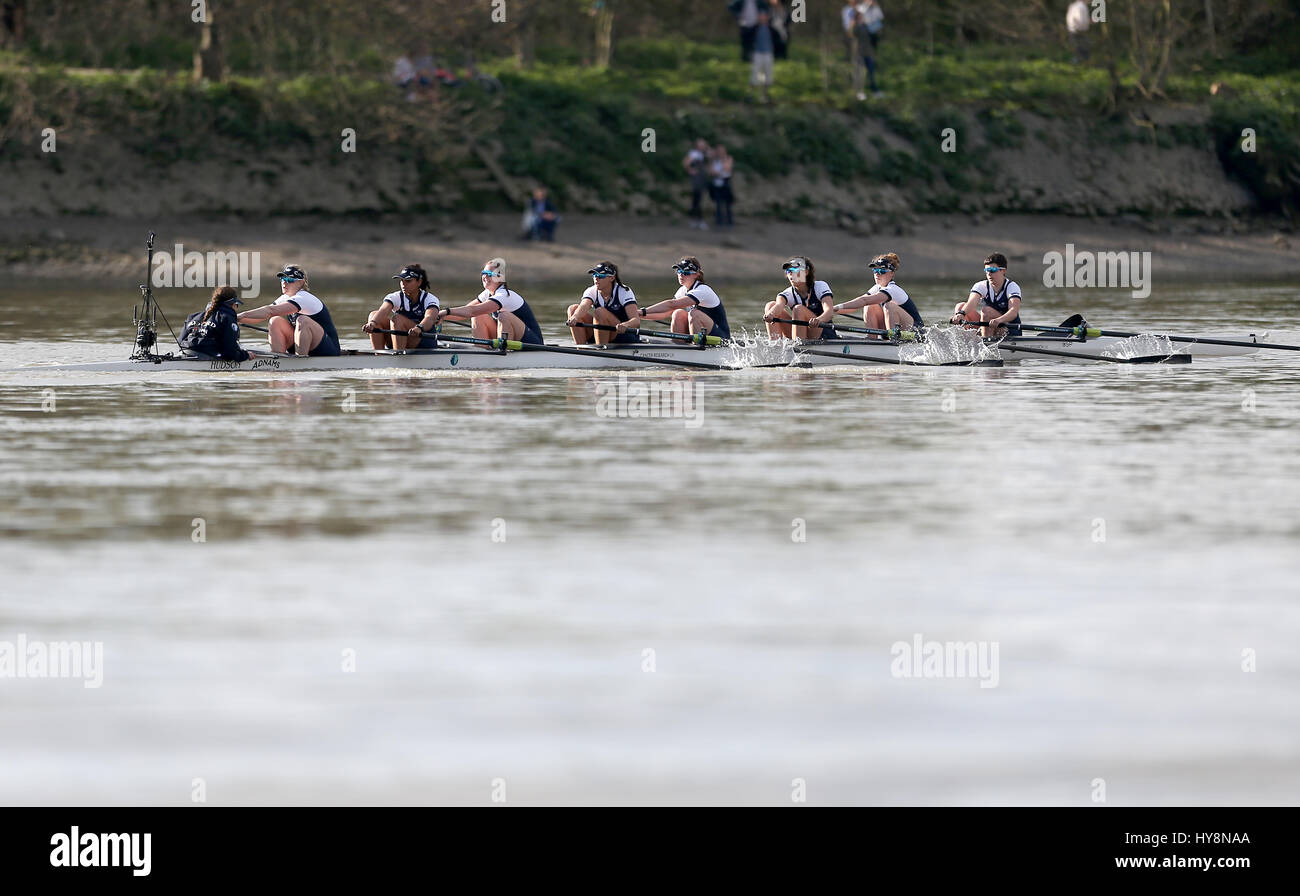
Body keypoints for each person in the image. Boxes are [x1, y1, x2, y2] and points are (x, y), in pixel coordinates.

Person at [237, 264, 340, 356]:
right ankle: (277, 358)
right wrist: (236, 319)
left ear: (301, 283)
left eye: (289, 280)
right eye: (282, 280)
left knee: (302, 320)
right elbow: (265, 314)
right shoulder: (285, 298)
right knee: (275, 320)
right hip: (305, 344)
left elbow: (270, 311)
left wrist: (241, 315)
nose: (284, 283)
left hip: (326, 348)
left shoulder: (304, 297)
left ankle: (300, 361)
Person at [438, 257, 544, 345]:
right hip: (511, 337)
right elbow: (465, 313)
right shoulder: (487, 293)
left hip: (531, 342)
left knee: (503, 315)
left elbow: (472, 310)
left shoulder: (504, 295)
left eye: (489, 273)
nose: (485, 276)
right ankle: (482, 350)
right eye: (484, 273)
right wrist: (438, 316)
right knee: (478, 316)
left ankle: (503, 352)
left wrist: (447, 311)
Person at [640, 256, 731, 340]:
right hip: (702, 333)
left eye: (686, 272)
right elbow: (665, 313)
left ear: (696, 274)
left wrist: (642, 311)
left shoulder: (703, 290)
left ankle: (696, 347)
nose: (681, 275)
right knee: (677, 313)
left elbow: (671, 304)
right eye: (679, 271)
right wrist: (638, 316)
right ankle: (678, 346)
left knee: (694, 313)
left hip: (720, 337)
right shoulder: (682, 290)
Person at [834, 252, 923, 337]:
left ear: (892, 273)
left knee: (888, 306)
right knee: (869, 306)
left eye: (881, 271)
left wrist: (835, 307)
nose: (877, 274)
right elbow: (856, 305)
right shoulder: (877, 287)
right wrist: (831, 310)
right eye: (875, 270)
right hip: (896, 331)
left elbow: (864, 301)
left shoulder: (893, 289)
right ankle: (872, 339)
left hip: (915, 333)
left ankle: (892, 339)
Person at [362, 264, 440, 351]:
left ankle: (398, 357)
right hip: (400, 338)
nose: (403, 284)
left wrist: (419, 328)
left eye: (408, 281)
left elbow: (430, 318)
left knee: (397, 319)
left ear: (419, 282)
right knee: (374, 315)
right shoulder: (395, 297)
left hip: (423, 341)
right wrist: (372, 323)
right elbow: (383, 310)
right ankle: (378, 355)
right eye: (402, 281)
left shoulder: (429, 299)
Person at [567, 261, 641, 346]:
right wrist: (575, 317)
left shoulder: (624, 291)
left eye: (600, 276)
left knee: (600, 312)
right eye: (594, 275)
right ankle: (580, 349)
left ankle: (600, 351)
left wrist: (626, 324)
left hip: (623, 335)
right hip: (603, 332)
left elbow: (636, 321)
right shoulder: (591, 290)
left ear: (612, 278)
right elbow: (584, 305)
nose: (596, 279)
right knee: (573, 309)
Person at [764, 257, 838, 340]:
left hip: (823, 332)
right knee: (770, 306)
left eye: (795, 270)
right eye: (789, 271)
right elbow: (778, 306)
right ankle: (775, 346)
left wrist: (818, 320)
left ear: (806, 272)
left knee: (798, 309)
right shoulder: (787, 293)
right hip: (803, 330)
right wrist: (770, 314)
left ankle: (799, 347)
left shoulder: (820, 286)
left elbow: (829, 312)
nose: (791, 274)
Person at [950, 253, 1023, 337]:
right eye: (986, 270)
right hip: (989, 326)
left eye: (992, 270)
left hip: (1009, 329)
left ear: (1003, 270)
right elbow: (971, 303)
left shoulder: (1012, 287)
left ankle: (986, 344)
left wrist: (999, 320)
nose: (989, 274)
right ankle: (965, 342)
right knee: (960, 306)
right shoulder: (981, 286)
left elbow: (1013, 312)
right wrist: (961, 314)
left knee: (986, 311)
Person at [178, 286, 252, 361]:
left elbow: (180, 342)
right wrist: (245, 355)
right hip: (204, 357)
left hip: (184, 353)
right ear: (233, 304)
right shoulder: (227, 319)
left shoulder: (193, 317)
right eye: (237, 305)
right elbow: (229, 353)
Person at [851, 8, 881, 100]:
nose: (862, 19)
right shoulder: (856, 27)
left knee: (871, 72)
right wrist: (857, 24)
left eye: (862, 17)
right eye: (860, 17)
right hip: (859, 53)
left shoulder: (867, 26)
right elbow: (854, 33)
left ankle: (874, 91)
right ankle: (859, 92)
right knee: (859, 74)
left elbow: (875, 35)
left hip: (868, 53)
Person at [683, 139, 711, 230]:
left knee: (697, 200)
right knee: (697, 200)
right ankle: (699, 220)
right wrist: (690, 170)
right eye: (701, 145)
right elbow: (686, 162)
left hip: (701, 179)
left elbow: (712, 154)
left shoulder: (702, 153)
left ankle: (695, 220)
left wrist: (707, 148)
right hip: (697, 180)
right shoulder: (694, 153)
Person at [750, 9, 776, 103]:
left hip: (768, 54)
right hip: (757, 53)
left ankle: (764, 96)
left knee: (767, 75)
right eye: (761, 16)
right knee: (755, 74)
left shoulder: (772, 29)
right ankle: (751, 94)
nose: (762, 18)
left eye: (764, 16)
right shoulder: (754, 28)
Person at [709, 145, 734, 228]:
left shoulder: (728, 158)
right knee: (718, 203)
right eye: (719, 151)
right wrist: (719, 171)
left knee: (727, 203)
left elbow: (727, 168)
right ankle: (719, 221)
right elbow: (712, 172)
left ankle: (729, 221)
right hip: (716, 183)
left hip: (725, 182)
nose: (720, 153)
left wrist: (722, 161)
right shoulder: (714, 161)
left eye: (722, 151)